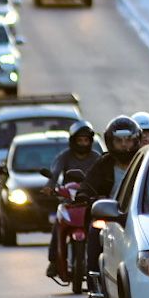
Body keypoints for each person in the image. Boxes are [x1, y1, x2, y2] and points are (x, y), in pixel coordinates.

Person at [83, 115, 141, 298]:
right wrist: (85, 195)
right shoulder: (104, 163)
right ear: (110, 141)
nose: (124, 145)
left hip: (138, 215)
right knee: (93, 233)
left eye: (128, 140)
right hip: (110, 216)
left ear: (136, 140)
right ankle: (95, 288)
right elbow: (88, 185)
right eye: (119, 141)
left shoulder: (142, 162)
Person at [45, 120, 101, 280]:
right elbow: (54, 172)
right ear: (72, 141)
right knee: (58, 225)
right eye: (79, 140)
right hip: (68, 202)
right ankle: (54, 260)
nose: (83, 144)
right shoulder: (64, 157)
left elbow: (103, 177)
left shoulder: (96, 157)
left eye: (86, 140)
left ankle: (103, 261)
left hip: (90, 203)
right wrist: (50, 186)